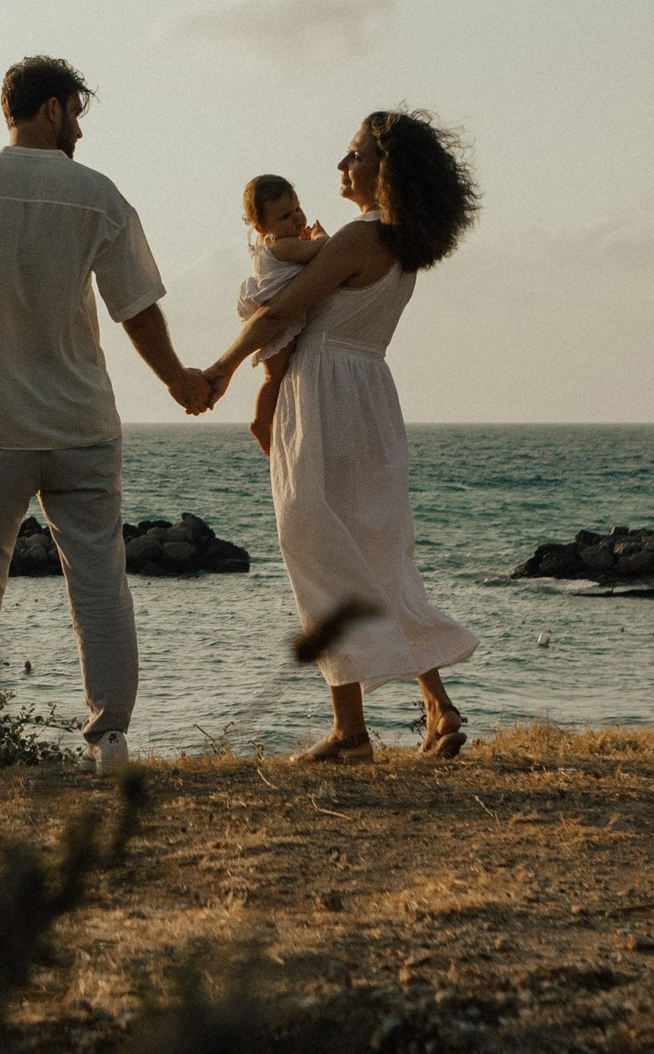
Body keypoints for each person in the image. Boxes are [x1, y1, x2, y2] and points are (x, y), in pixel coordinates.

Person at [0, 57, 216, 780]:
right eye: (75, 113)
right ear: (52, 109)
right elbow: (136, 308)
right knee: (99, 582)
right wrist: (179, 380)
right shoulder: (98, 196)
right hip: (82, 424)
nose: (78, 128)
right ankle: (109, 741)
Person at [204, 110, 481, 764]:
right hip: (370, 399)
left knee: (319, 551)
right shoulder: (404, 243)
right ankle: (437, 707)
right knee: (377, 557)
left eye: (355, 155)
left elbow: (282, 308)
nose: (341, 165)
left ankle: (351, 733)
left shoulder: (359, 237)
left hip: (324, 396)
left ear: (385, 171)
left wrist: (219, 370)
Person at [234, 174, 328, 452]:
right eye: (285, 216)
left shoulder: (276, 242)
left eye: (297, 209)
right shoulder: (281, 244)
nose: (297, 218)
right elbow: (321, 251)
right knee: (274, 376)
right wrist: (320, 235)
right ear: (262, 227)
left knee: (280, 375)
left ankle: (271, 421)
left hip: (278, 313)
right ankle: (261, 423)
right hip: (276, 320)